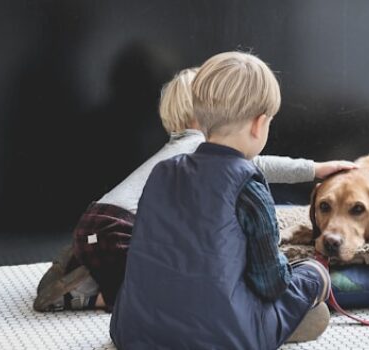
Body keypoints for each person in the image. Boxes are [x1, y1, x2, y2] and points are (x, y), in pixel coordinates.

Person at [34, 66, 354, 313]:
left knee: (146, 265)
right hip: (119, 230)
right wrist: (314, 168)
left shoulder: (178, 150)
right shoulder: (201, 148)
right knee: (152, 292)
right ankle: (85, 296)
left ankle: (82, 265)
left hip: (96, 227)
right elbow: (259, 164)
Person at [110, 51, 334, 349]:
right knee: (312, 274)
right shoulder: (248, 183)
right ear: (259, 124)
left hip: (134, 328)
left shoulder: (162, 172)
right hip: (221, 336)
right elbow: (271, 283)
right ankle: (279, 321)